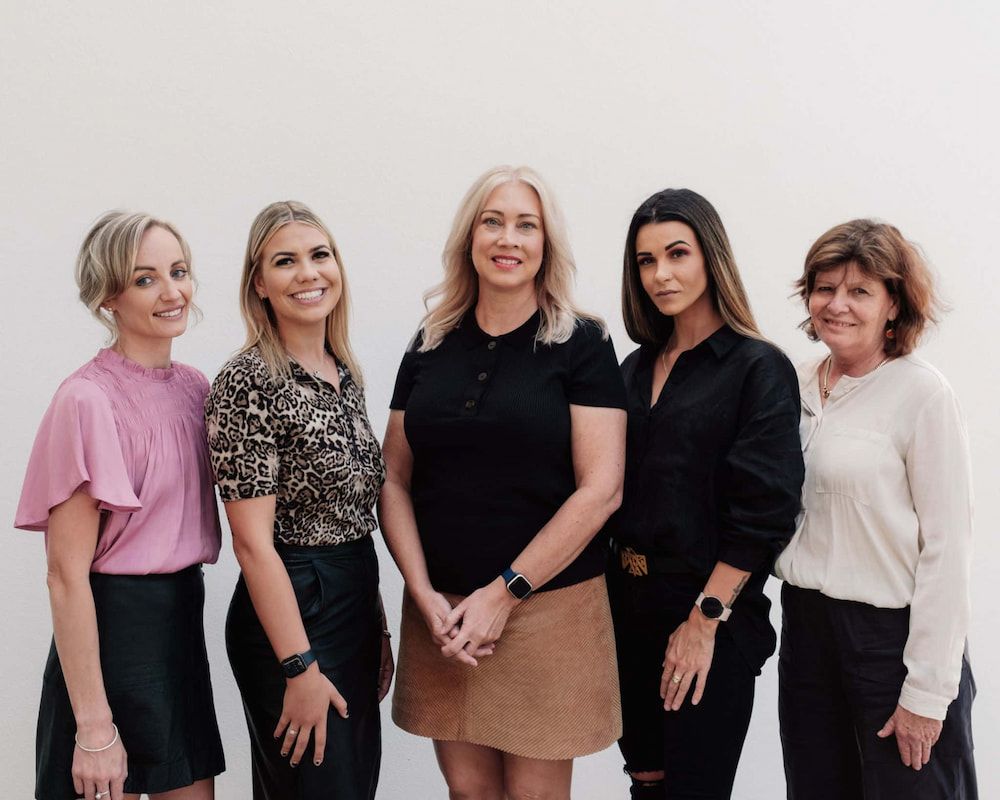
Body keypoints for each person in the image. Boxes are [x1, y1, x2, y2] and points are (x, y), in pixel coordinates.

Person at [379, 165, 627, 800]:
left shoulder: (584, 342)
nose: (507, 238)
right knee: (468, 794)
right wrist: (421, 590)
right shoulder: (430, 342)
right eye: (493, 221)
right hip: (444, 616)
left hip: (546, 611)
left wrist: (504, 593)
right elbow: (393, 480)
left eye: (526, 225)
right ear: (470, 237)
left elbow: (601, 489)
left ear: (547, 245)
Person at [14, 211, 225, 800]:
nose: (171, 291)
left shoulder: (197, 390)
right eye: (145, 279)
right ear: (109, 295)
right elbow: (64, 575)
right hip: (109, 635)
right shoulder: (87, 400)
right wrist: (94, 727)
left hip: (180, 625)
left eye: (178, 272)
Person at [605, 189, 804, 799]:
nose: (661, 274)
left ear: (710, 256)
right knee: (647, 783)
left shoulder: (757, 368)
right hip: (624, 612)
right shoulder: (633, 370)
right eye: (645, 261)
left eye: (677, 253)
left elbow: (766, 511)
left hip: (708, 618)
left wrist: (704, 621)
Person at [774, 219, 977, 798]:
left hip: (892, 643)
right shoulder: (793, 385)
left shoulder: (922, 395)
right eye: (824, 287)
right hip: (808, 631)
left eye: (860, 290)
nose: (837, 304)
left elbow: (948, 549)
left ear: (894, 305)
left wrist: (927, 693)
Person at [205, 201, 390, 800]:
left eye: (320, 255)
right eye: (285, 262)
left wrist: (377, 623)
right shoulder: (249, 379)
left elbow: (354, 516)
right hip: (293, 606)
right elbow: (253, 544)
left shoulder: (345, 371)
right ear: (259, 283)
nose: (308, 273)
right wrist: (298, 667)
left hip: (353, 595)